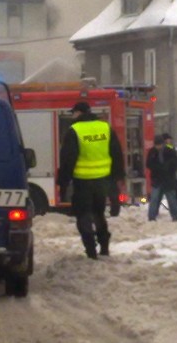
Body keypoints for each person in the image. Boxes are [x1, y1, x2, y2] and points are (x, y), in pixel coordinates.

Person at [58, 101, 126, 259]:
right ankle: (104, 247)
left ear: (79, 113)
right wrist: (117, 179)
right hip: (102, 181)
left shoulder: (74, 130)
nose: (72, 115)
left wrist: (63, 183)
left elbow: (68, 159)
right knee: (99, 214)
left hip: (82, 182)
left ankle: (90, 249)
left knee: (83, 216)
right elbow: (116, 154)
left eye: (73, 112)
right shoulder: (105, 128)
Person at [146, 135, 177, 221]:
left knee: (171, 199)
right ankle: (151, 217)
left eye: (159, 145)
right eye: (156, 145)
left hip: (168, 179)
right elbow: (148, 164)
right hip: (157, 179)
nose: (158, 147)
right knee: (154, 199)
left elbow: (175, 163)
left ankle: (175, 217)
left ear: (162, 144)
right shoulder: (152, 152)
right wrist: (158, 168)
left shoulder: (169, 151)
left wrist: (168, 168)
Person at [162, 132, 177, 216]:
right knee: (173, 193)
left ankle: (176, 210)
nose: (170, 141)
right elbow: (174, 159)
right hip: (168, 177)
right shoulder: (167, 148)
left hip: (167, 176)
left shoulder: (167, 148)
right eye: (169, 139)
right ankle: (176, 211)